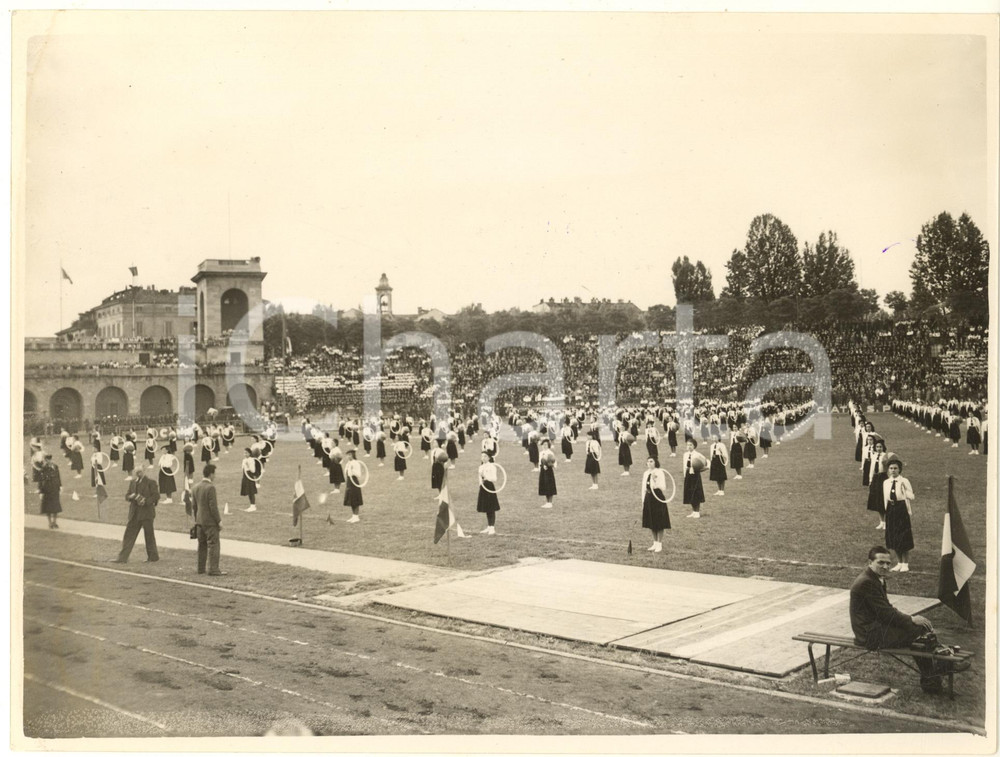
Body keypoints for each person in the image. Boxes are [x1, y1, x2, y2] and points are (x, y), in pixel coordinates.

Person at [850, 545, 969, 695]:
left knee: (920, 633)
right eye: (880, 562)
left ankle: (934, 675)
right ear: (869, 562)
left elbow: (886, 609)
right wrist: (911, 619)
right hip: (868, 635)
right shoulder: (867, 582)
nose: (885, 566)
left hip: (875, 628)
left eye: (888, 563)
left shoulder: (874, 578)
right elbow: (886, 613)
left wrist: (910, 620)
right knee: (919, 631)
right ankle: (938, 670)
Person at [111, 464, 160, 563]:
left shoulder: (151, 483)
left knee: (149, 535)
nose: (138, 474)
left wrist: (145, 501)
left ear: (144, 471)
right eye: (136, 472)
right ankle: (122, 558)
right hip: (134, 514)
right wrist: (131, 496)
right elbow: (127, 495)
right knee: (129, 535)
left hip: (146, 513)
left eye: (140, 472)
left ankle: (153, 557)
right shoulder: (132, 482)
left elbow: (156, 496)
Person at [192, 463, 225, 576]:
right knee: (213, 545)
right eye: (214, 474)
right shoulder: (210, 488)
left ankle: (200, 568)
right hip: (210, 522)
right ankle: (213, 569)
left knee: (202, 545)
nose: (215, 476)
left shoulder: (195, 487)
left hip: (199, 521)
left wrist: (196, 519)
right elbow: (213, 507)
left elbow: (194, 506)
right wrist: (219, 521)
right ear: (211, 474)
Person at [882, 457, 915, 571]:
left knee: (903, 535)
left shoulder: (904, 481)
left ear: (899, 470)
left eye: (895, 468)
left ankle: (905, 563)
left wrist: (904, 491)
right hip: (891, 510)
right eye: (891, 468)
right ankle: (899, 562)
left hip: (901, 509)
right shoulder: (886, 482)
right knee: (894, 536)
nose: (893, 470)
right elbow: (885, 498)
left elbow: (912, 496)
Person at [640, 457, 670, 552]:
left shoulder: (659, 472)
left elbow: (663, 487)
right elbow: (643, 488)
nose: (649, 463)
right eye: (648, 461)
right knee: (651, 521)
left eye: (651, 461)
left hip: (658, 497)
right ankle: (655, 543)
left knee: (659, 521)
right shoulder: (645, 473)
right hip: (649, 498)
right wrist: (643, 501)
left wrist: (655, 480)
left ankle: (659, 544)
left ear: (655, 462)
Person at [682, 439, 707, 518]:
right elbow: (684, 466)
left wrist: (703, 469)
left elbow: (706, 462)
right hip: (688, 475)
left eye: (691, 445)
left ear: (694, 446)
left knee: (696, 492)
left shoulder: (698, 455)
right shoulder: (685, 455)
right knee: (689, 493)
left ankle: (697, 511)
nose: (689, 447)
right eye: (688, 445)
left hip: (695, 475)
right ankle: (693, 511)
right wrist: (684, 475)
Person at [866, 439, 888, 530]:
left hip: (883, 478)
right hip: (876, 478)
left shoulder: (885, 456)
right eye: (877, 447)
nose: (879, 448)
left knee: (884, 500)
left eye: (880, 447)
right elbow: (871, 469)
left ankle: (886, 522)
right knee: (877, 500)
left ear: (883, 448)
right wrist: (870, 480)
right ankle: (881, 521)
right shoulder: (874, 456)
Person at [477, 452, 501, 535]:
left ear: (489, 457)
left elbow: (494, 478)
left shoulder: (492, 466)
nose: (483, 458)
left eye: (485, 456)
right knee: (486, 507)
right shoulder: (480, 467)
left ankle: (492, 527)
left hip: (489, 486)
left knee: (491, 507)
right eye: (482, 456)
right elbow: (479, 478)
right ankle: (489, 526)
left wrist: (486, 477)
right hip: (483, 487)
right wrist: (481, 483)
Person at [38, 453, 62, 529]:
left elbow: (58, 477)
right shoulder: (43, 468)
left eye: (50, 459)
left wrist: (60, 486)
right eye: (47, 460)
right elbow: (41, 481)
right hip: (47, 490)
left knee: (55, 506)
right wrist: (41, 491)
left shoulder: (55, 467)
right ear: (45, 460)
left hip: (55, 489)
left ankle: (54, 522)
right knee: (47, 507)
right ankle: (49, 523)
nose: (49, 461)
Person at [343, 449, 364, 523]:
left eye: (350, 455)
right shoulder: (348, 463)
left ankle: (356, 516)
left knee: (355, 499)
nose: (348, 456)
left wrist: (352, 471)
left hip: (354, 482)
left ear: (353, 455)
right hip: (349, 482)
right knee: (351, 500)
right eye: (347, 455)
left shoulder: (356, 463)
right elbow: (346, 472)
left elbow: (358, 474)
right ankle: (353, 516)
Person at [538, 440, 557, 508]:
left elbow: (554, 462)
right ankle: (547, 502)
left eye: (546, 444)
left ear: (548, 445)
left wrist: (550, 465)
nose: (544, 446)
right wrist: (540, 468)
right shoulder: (541, 453)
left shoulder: (550, 453)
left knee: (550, 485)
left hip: (549, 471)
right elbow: (540, 462)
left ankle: (550, 502)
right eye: (543, 444)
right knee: (545, 486)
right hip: (543, 471)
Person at [241, 447, 261, 512]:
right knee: (248, 491)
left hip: (250, 476)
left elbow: (253, 470)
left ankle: (253, 505)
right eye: (244, 453)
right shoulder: (244, 460)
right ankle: (251, 505)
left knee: (251, 491)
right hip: (245, 475)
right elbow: (243, 468)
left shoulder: (251, 460)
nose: (245, 454)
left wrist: (248, 465)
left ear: (249, 453)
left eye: (246, 453)